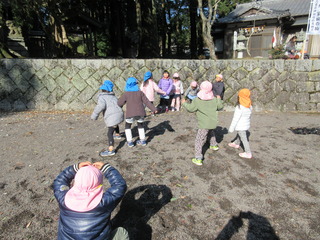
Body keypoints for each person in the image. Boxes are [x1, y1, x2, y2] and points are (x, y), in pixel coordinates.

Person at [53, 161, 128, 240]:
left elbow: (59, 181)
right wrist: (106, 168)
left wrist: (75, 168)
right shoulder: (103, 203)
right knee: (121, 232)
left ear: (76, 181)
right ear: (99, 183)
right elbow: (119, 185)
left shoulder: (63, 198)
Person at [182, 80, 224, 166]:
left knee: (199, 140)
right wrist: (219, 99)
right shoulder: (214, 99)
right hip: (213, 122)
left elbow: (190, 109)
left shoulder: (197, 100)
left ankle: (198, 158)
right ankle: (214, 145)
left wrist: (184, 103)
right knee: (210, 132)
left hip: (203, 124)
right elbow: (220, 107)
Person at [118, 77, 157, 147]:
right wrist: (154, 109)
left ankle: (130, 142)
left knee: (128, 126)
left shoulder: (126, 94)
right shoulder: (140, 93)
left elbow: (119, 103)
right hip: (140, 112)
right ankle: (143, 141)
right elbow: (147, 102)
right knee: (140, 125)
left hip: (130, 113)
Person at [91, 80, 124, 157]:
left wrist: (94, 115)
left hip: (112, 117)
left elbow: (100, 107)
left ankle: (111, 150)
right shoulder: (113, 96)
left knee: (109, 133)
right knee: (115, 124)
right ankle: (118, 134)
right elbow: (120, 104)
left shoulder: (102, 98)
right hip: (119, 114)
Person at [228, 88, 253, 159]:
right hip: (245, 125)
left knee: (244, 139)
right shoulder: (250, 105)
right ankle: (236, 143)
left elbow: (235, 119)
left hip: (240, 126)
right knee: (240, 134)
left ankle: (248, 153)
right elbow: (249, 116)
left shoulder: (239, 107)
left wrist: (231, 128)